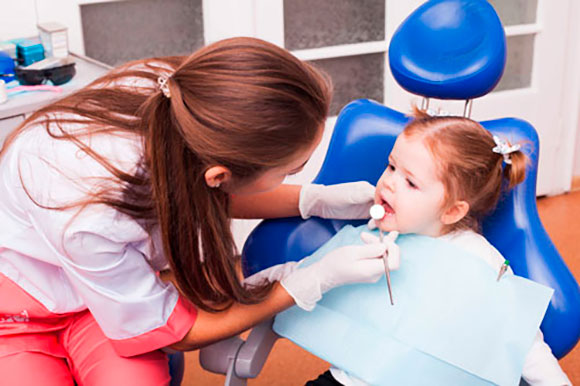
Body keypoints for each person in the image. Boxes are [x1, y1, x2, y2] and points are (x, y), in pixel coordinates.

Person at [0, 37, 390, 385]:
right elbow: (174, 330)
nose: (298, 175)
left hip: (105, 293)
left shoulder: (183, 94)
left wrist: (315, 199)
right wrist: (303, 283)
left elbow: (213, 188)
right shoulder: (89, 216)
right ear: (219, 174)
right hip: (18, 312)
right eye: (291, 169)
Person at [292, 107, 570, 385]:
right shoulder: (372, 234)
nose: (389, 183)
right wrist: (263, 286)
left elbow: (522, 341)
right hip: (350, 378)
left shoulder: (476, 258)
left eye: (410, 182)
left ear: (451, 211)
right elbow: (305, 276)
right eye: (390, 167)